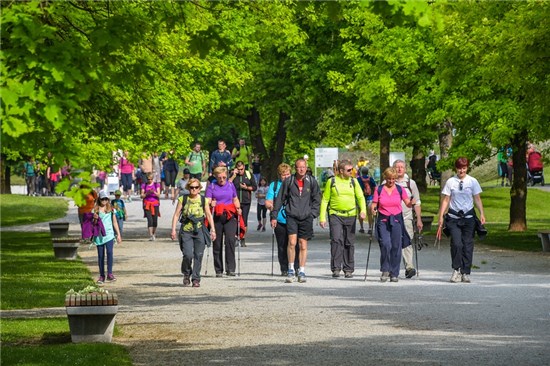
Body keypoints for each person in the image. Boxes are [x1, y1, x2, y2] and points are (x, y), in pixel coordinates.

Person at [436, 157, 486, 283]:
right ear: (456, 169)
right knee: (457, 243)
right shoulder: (450, 182)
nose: (461, 171)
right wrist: (441, 216)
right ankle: (456, 269)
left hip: (468, 218)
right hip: (453, 218)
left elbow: (477, 198)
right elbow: (446, 199)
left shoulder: (472, 181)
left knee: (467, 245)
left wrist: (482, 213)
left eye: (464, 168)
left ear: (467, 168)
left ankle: (465, 272)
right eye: (459, 168)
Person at [272, 158, 321, 283]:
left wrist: (313, 214)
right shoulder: (289, 181)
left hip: (306, 217)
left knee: (303, 244)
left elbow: (317, 199)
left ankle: (302, 270)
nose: (301, 169)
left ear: (306, 167)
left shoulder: (312, 182)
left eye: (303, 167)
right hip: (292, 216)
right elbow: (279, 199)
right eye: (299, 167)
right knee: (292, 242)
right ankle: (290, 269)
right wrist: (274, 215)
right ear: (295, 168)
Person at [319, 160, 367, 279]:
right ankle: (336, 268)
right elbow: (325, 200)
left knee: (349, 242)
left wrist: (363, 210)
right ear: (341, 171)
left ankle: (348, 269)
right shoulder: (332, 181)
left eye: (352, 169)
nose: (352, 172)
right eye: (349, 170)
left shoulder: (354, 181)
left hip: (350, 214)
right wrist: (322, 217)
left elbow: (360, 197)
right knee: (336, 240)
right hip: (335, 214)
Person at [370, 167, 415, 282]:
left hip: (396, 219)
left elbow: (407, 203)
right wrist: (373, 209)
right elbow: (374, 204)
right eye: (389, 179)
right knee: (385, 244)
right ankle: (385, 269)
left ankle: (394, 273)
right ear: (385, 178)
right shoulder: (379, 189)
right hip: (383, 220)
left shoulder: (400, 189)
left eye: (393, 179)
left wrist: (412, 203)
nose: (391, 181)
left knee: (396, 246)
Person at [171, 178, 216, 288]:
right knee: (187, 254)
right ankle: (186, 273)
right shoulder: (183, 199)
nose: (194, 189)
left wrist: (213, 230)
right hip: (186, 230)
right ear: (188, 188)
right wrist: (173, 230)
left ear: (200, 188)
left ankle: (196, 278)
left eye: (196, 187)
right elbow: (176, 214)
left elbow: (209, 215)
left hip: (199, 230)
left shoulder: (203, 200)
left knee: (198, 255)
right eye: (192, 187)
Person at [205, 166, 242, 277]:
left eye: (224, 177)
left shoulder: (230, 185)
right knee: (217, 243)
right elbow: (207, 201)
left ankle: (230, 269)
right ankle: (219, 269)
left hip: (230, 215)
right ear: (216, 176)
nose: (222, 179)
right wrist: (210, 203)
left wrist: (238, 208)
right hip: (216, 216)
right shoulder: (212, 186)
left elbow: (235, 198)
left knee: (230, 241)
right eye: (219, 177)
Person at [266, 163, 299, 276]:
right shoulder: (274, 185)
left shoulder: (294, 183)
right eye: (284, 175)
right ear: (279, 175)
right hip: (280, 219)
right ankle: (284, 268)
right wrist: (270, 206)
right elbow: (268, 200)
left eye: (288, 174)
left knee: (295, 244)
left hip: (294, 218)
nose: (286, 177)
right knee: (282, 244)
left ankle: (296, 266)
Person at [393, 160, 423, 279]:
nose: (399, 169)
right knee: (393, 242)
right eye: (397, 167)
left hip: (406, 216)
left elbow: (417, 202)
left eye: (402, 167)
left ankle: (409, 267)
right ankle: (392, 266)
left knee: (407, 241)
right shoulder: (388, 181)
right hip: (392, 217)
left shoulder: (411, 183)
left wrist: (419, 219)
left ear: (405, 169)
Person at [93, 190, 122, 284]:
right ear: (99, 199)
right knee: (101, 256)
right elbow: (93, 224)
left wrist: (118, 234)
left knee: (110, 253)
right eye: (102, 199)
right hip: (99, 236)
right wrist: (95, 219)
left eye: (106, 199)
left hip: (109, 235)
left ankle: (110, 273)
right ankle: (102, 275)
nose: (104, 201)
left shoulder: (111, 209)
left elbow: (114, 222)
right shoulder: (96, 210)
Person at [229, 161, 257, 246]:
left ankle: (243, 238)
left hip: (246, 201)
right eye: (239, 169)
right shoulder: (233, 175)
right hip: (234, 201)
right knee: (234, 220)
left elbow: (255, 187)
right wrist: (233, 175)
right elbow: (227, 185)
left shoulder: (249, 174)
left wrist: (246, 187)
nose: (240, 171)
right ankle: (235, 237)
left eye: (242, 169)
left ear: (244, 167)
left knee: (244, 220)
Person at [141, 172, 161, 241]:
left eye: (151, 179)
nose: (149, 180)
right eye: (148, 179)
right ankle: (150, 235)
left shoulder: (156, 185)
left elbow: (159, 195)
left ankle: (154, 233)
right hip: (147, 204)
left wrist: (154, 192)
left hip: (155, 204)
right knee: (150, 220)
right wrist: (147, 193)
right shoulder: (144, 185)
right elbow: (141, 195)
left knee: (155, 220)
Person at [357, 166, 377, 234]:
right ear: (367, 172)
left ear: (361, 172)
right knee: (369, 214)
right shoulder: (370, 178)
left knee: (361, 212)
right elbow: (375, 187)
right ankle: (370, 228)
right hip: (370, 197)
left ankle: (361, 227)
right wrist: (374, 195)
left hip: (361, 198)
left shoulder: (358, 179)